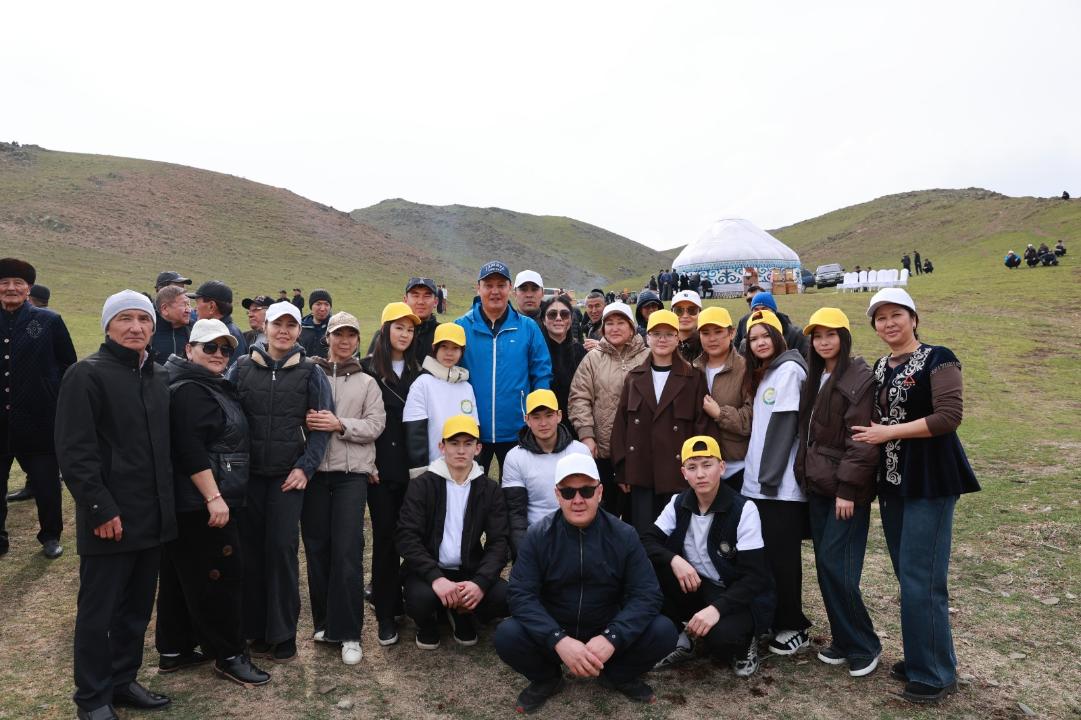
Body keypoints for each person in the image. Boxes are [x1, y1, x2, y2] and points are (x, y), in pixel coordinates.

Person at [852, 288, 980, 704]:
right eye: (881, 318)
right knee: (908, 575)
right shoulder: (880, 366)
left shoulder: (939, 358)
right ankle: (923, 657)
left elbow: (949, 417)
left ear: (914, 318)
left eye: (897, 315)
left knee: (923, 578)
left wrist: (889, 432)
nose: (889, 323)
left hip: (931, 479)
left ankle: (936, 674)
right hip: (894, 482)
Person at [56, 289, 176, 719]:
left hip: (152, 515)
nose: (135, 327)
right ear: (108, 326)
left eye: (143, 320)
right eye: (125, 319)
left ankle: (123, 681)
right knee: (99, 613)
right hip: (110, 518)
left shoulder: (158, 376)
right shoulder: (85, 374)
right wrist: (100, 509)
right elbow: (75, 452)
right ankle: (92, 698)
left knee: (136, 610)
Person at [494, 453, 677, 713]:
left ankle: (617, 675)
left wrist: (612, 637)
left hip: (606, 627)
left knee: (664, 631)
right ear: (557, 495)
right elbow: (520, 595)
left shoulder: (624, 535)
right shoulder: (538, 535)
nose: (578, 500)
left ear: (600, 492)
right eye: (568, 492)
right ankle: (547, 679)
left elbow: (647, 594)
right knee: (507, 634)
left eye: (586, 491)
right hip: (555, 628)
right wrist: (558, 639)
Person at [156, 319, 270, 687]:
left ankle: (174, 648)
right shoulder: (192, 390)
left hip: (190, 501)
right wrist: (213, 497)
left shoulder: (203, 385)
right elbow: (189, 448)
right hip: (203, 501)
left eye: (225, 348)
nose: (219, 354)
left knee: (180, 575)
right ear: (189, 349)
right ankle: (229, 655)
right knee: (221, 576)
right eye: (210, 347)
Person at [228, 301, 333, 662]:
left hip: (288, 478)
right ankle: (255, 629)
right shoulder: (242, 367)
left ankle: (283, 633)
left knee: (281, 552)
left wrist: (305, 467)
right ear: (265, 327)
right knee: (250, 552)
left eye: (291, 325)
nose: (283, 331)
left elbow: (321, 427)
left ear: (299, 331)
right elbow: (228, 419)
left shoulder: (310, 372)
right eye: (277, 324)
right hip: (249, 477)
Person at [794, 308, 881, 678]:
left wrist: (848, 488)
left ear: (844, 338)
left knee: (837, 565)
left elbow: (861, 440)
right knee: (825, 565)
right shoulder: (816, 376)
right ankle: (844, 640)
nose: (823, 342)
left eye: (831, 335)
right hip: (818, 483)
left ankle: (864, 644)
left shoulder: (859, 378)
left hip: (844, 491)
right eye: (817, 336)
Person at [642, 436, 773, 677]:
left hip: (738, 594)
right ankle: (682, 640)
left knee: (722, 639)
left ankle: (746, 641)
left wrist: (716, 609)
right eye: (692, 467)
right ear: (684, 473)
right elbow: (647, 540)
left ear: (721, 467)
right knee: (650, 570)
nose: (700, 474)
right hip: (700, 584)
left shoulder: (744, 509)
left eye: (707, 464)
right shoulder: (678, 502)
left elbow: (755, 578)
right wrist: (675, 560)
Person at [302, 311, 386, 664]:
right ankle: (325, 624)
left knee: (348, 550)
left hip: (352, 475)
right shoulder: (310, 373)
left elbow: (375, 425)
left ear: (357, 340)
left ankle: (350, 632)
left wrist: (339, 424)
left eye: (351, 335)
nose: (345, 341)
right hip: (315, 474)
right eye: (339, 334)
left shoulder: (367, 382)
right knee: (317, 548)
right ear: (328, 338)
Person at [395, 415, 510, 650]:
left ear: (478, 448)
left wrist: (479, 583)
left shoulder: (489, 489)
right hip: (429, 571)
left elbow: (499, 542)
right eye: (454, 443)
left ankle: (463, 613)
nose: (461, 450)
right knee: (420, 600)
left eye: (468, 443)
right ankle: (429, 622)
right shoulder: (422, 485)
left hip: (469, 571)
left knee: (505, 596)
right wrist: (436, 578)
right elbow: (407, 537)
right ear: (442, 446)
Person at [739, 309, 812, 657]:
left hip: (779, 488)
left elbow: (784, 428)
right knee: (766, 557)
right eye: (753, 338)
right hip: (760, 484)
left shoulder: (789, 370)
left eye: (766, 335)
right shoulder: (767, 372)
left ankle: (794, 625)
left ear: (779, 336)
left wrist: (768, 480)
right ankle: (773, 619)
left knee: (784, 559)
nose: (760, 342)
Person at [0, 258, 76, 558]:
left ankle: (50, 536)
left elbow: (68, 364)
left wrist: (53, 396)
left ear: (28, 288)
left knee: (46, 484)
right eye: (4, 283)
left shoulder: (48, 321)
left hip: (40, 419)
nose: (11, 288)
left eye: (18, 283)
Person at [611, 309, 712, 533]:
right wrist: (622, 470)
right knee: (645, 536)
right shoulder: (634, 378)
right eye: (656, 334)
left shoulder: (693, 378)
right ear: (647, 338)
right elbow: (621, 427)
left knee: (676, 536)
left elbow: (702, 427)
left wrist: (699, 468)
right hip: (641, 473)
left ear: (677, 338)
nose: (662, 340)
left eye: (668, 334)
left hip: (678, 474)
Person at [455, 261, 552, 476]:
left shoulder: (528, 327)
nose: (495, 291)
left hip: (517, 428)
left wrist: (537, 415)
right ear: (478, 288)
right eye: (488, 285)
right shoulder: (460, 327)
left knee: (516, 488)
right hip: (471, 428)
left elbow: (542, 373)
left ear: (510, 288)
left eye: (501, 285)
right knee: (470, 488)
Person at [362, 302, 422, 646]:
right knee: (385, 540)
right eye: (399, 327)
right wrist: (368, 463)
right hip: (380, 470)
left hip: (414, 469)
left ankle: (408, 599)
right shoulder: (367, 369)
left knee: (413, 536)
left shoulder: (419, 372)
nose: (405, 334)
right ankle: (386, 612)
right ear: (385, 330)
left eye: (410, 329)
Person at [568, 302, 650, 519]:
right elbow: (579, 397)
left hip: (641, 452)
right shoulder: (593, 359)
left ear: (631, 327)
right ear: (602, 328)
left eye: (620, 323)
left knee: (638, 515)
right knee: (605, 513)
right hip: (604, 451)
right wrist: (586, 435)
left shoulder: (648, 357)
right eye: (609, 323)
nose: (615, 328)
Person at [502, 390, 591, 555]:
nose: (543, 423)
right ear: (527, 420)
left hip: (575, 536)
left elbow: (592, 504)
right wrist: (525, 554)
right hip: (536, 539)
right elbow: (516, 514)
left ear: (559, 416)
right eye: (536, 417)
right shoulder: (514, 457)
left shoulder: (580, 452)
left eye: (549, 415)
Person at [403, 322, 476, 474]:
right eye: (444, 347)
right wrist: (421, 473)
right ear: (434, 348)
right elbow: (415, 434)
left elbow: (474, 430)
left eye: (455, 348)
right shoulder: (422, 383)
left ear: (462, 351)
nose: (449, 353)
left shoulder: (466, 387)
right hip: (432, 469)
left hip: (462, 470)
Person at [694, 307, 752, 493]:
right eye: (705, 333)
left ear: (731, 332)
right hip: (701, 467)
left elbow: (751, 418)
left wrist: (720, 414)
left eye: (718, 332)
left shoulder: (745, 369)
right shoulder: (693, 370)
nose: (712, 338)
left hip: (737, 467)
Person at [539, 295, 587, 437]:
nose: (558, 318)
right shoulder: (536, 353)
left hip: (576, 425)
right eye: (552, 314)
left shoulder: (581, 352)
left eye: (564, 314)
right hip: (545, 426)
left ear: (570, 320)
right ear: (544, 320)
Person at [367, 277, 440, 363]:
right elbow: (370, 366)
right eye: (415, 295)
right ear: (405, 300)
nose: (420, 301)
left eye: (427, 296)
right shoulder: (385, 334)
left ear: (435, 302)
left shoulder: (442, 334)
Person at [188, 280, 247, 365]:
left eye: (197, 303)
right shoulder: (228, 331)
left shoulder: (229, 336)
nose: (195, 308)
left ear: (211, 306)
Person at [734, 291, 808, 357]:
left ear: (774, 311)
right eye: (756, 310)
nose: (761, 312)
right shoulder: (746, 339)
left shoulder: (795, 335)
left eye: (764, 309)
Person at [150, 285, 193, 365]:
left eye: (189, 304)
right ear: (165, 309)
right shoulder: (148, 331)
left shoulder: (195, 331)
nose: (189, 310)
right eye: (184, 304)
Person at [299, 289, 332, 359]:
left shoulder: (335, 329)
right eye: (318, 304)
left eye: (326, 304)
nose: (322, 309)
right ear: (311, 306)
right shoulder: (300, 328)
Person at [671, 289, 702, 363]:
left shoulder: (708, 345)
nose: (685, 316)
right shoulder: (662, 344)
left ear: (700, 313)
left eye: (692, 310)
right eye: (678, 310)